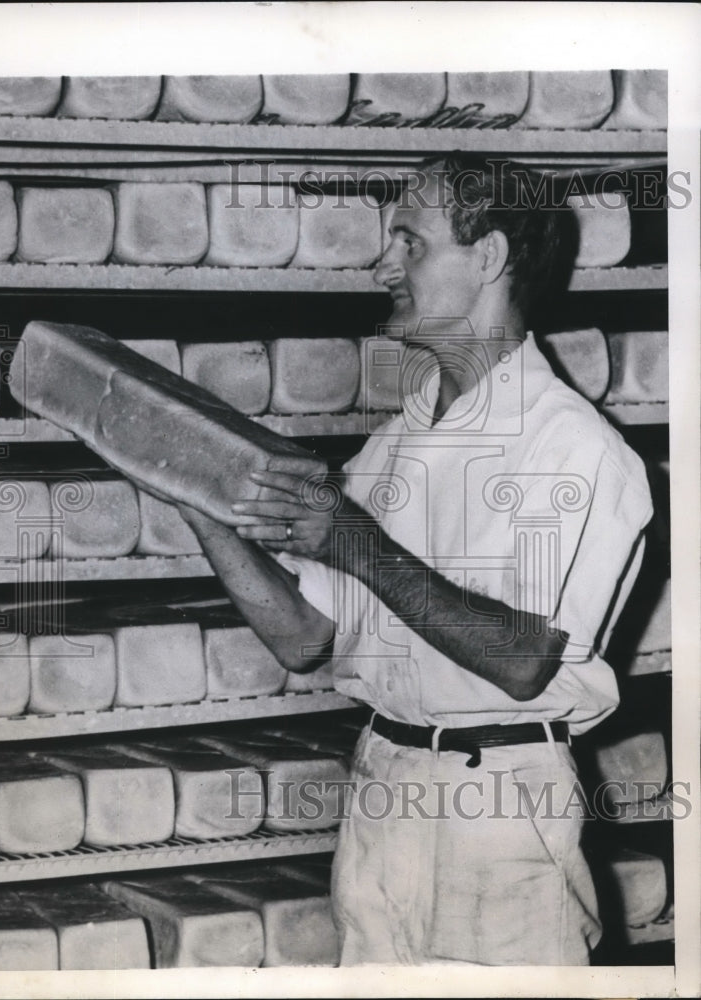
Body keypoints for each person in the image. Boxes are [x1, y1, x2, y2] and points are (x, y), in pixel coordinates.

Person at [179, 154, 654, 965]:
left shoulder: (570, 448)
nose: (383, 265)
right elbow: (304, 639)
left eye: (409, 242)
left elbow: (520, 661)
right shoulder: (399, 441)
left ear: (489, 258)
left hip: (498, 807)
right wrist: (196, 497)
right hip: (382, 790)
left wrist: (356, 545)